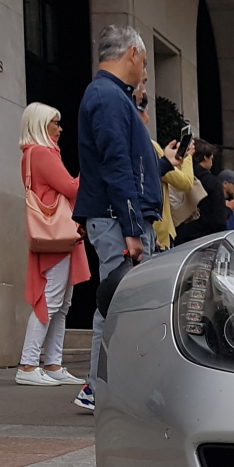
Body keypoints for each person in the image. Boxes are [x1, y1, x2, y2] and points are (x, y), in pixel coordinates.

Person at [70, 25, 169, 413]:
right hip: (117, 219)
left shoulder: (110, 96)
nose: (144, 71)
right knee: (117, 304)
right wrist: (131, 229)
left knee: (117, 302)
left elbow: (120, 164)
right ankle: (98, 387)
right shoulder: (109, 97)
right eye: (144, 61)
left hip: (116, 217)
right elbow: (117, 165)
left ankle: (104, 386)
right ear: (131, 53)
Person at [15, 102, 91, 386]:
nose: (59, 129)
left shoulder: (34, 153)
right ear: (40, 124)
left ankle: (51, 363)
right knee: (52, 300)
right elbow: (71, 187)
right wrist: (90, 169)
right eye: (54, 123)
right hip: (57, 234)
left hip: (55, 233)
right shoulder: (42, 153)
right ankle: (29, 364)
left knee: (59, 301)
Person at [133, 86, 194, 250]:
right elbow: (185, 182)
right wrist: (186, 157)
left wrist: (170, 160)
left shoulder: (138, 143)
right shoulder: (150, 146)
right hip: (155, 228)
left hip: (148, 226)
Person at [173, 140, 229, 245]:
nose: (212, 162)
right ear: (205, 158)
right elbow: (219, 221)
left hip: (178, 237)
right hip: (205, 240)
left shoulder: (178, 176)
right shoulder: (213, 182)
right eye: (211, 158)